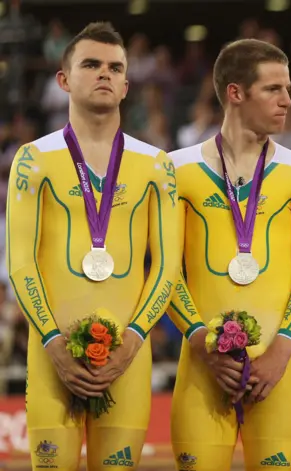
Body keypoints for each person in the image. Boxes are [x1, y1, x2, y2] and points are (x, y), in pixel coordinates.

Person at [6, 22, 180, 470]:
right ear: (63, 79)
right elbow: (20, 263)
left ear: (126, 85)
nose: (104, 73)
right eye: (90, 64)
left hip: (129, 359)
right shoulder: (33, 158)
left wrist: (131, 343)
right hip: (51, 356)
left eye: (114, 67)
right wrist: (52, 343)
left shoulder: (156, 165)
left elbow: (166, 267)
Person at [166, 39, 291, 471]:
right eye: (273, 89)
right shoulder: (175, 169)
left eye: (288, 88)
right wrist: (202, 343)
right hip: (202, 366)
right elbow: (167, 272)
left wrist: (281, 352)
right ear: (236, 93)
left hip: (278, 369)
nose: (287, 100)